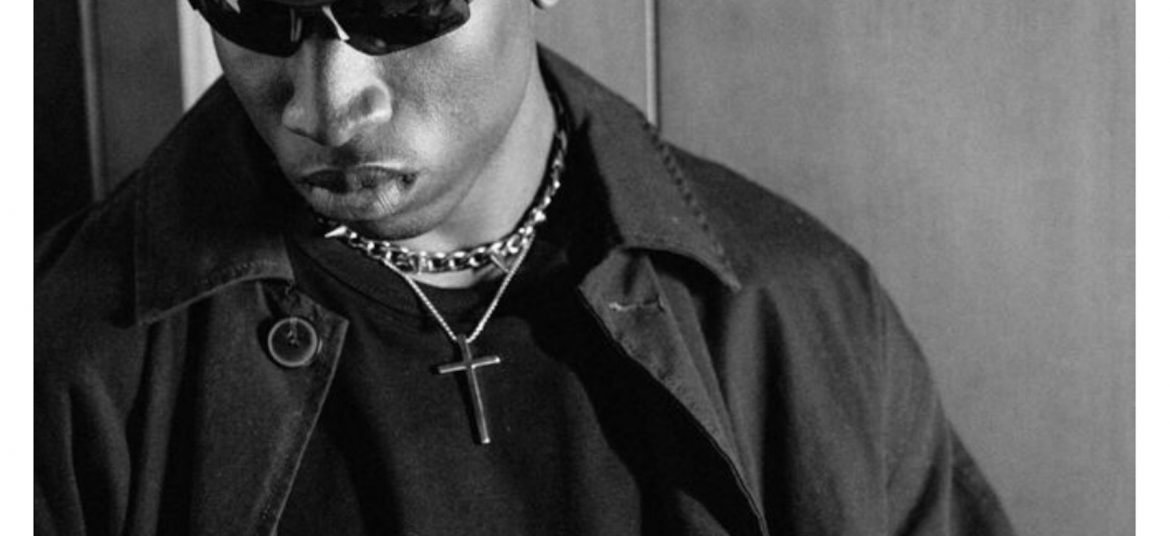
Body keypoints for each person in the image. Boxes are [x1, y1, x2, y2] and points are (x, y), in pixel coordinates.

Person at [34, 0, 1018, 534]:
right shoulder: (60, 354)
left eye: (398, 7)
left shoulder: (800, 309)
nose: (324, 106)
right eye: (253, 11)